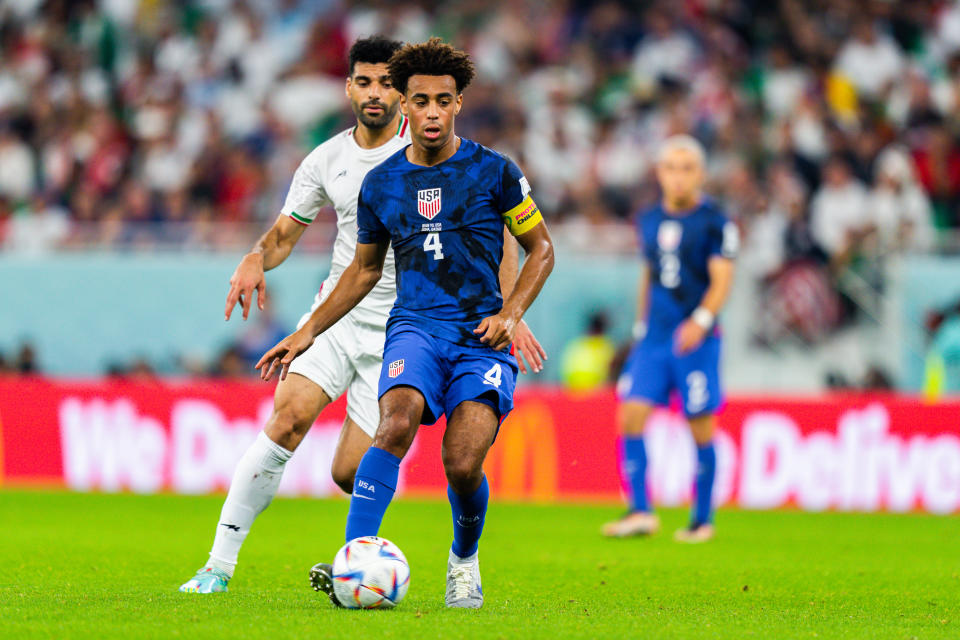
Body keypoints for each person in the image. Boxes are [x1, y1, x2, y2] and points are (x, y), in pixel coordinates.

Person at [179, 36, 545, 595]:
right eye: (366, 83)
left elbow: (513, 241)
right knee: (299, 419)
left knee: (392, 468)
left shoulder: (475, 163)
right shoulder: (343, 166)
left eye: (438, 100)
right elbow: (324, 252)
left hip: (448, 326)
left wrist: (512, 309)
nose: (381, 95)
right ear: (359, 90)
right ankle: (226, 566)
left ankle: (447, 559)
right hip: (379, 320)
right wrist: (268, 275)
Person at [603, 135, 736, 543]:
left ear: (700, 174)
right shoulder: (649, 219)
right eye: (671, 168)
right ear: (660, 173)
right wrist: (641, 327)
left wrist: (701, 319)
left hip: (696, 338)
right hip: (655, 337)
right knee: (630, 414)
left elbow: (722, 279)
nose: (678, 177)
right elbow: (649, 275)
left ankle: (702, 518)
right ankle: (641, 510)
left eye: (687, 168)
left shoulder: (716, 221)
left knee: (700, 425)